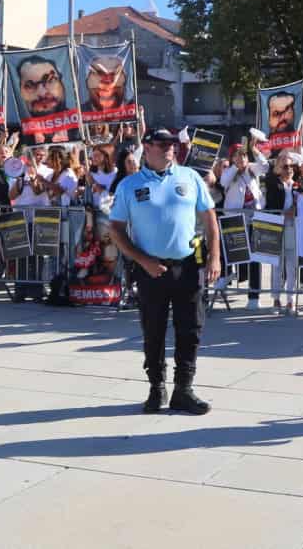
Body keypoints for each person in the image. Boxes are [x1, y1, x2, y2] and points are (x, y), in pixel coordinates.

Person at [111, 128, 220, 415]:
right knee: (153, 328)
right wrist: (141, 260)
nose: (170, 148)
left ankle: (184, 389)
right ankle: (156, 387)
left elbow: (210, 220)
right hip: (150, 269)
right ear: (147, 148)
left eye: (172, 144)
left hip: (187, 265)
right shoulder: (129, 185)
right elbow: (117, 231)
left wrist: (215, 258)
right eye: (162, 144)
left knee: (190, 329)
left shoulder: (190, 177)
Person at [220, 141, 268, 309]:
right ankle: (226, 275)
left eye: (243, 155)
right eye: (237, 155)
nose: (241, 158)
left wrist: (255, 152)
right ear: (232, 158)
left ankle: (254, 296)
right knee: (232, 252)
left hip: (253, 219)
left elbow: (265, 166)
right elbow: (223, 182)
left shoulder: (252, 169)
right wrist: (235, 166)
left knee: (255, 258)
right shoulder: (229, 172)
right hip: (234, 220)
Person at [264, 149, 303, 315]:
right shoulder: (273, 182)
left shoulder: (301, 184)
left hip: (294, 227)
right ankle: (276, 299)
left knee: (292, 265)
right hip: (277, 226)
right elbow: (269, 201)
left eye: (291, 166)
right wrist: (282, 212)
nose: (289, 169)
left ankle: (291, 300)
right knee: (277, 264)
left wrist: (296, 210)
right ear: (279, 167)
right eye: (285, 166)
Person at [16, 54, 76, 143]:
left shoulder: (82, 128)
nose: (42, 93)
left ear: (62, 84)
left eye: (50, 80)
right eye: (29, 86)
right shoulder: (17, 134)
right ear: (20, 91)